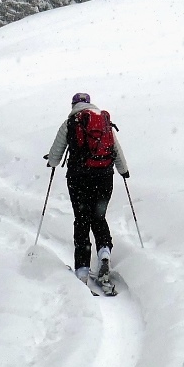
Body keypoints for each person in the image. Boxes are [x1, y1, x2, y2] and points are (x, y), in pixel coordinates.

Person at [45, 91, 129, 288]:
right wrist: (123, 171)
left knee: (82, 220)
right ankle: (104, 254)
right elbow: (116, 150)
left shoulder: (71, 123)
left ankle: (82, 270)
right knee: (99, 217)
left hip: (79, 179)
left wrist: (51, 161)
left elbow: (56, 154)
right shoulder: (104, 122)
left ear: (73, 105)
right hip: (104, 177)